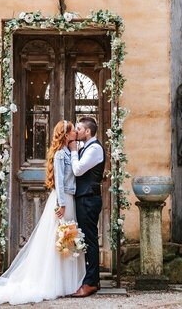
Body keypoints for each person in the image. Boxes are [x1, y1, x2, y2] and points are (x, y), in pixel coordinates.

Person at [0, 120, 85, 305]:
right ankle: (55, 282)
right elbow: (59, 181)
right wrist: (61, 203)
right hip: (63, 199)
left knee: (67, 237)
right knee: (60, 237)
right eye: (73, 129)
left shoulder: (69, 151)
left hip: (70, 198)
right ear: (66, 135)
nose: (76, 131)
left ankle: (68, 281)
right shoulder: (60, 155)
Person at [69, 116, 105, 298]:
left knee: (90, 239)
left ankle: (90, 283)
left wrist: (74, 150)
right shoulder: (88, 148)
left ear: (88, 131)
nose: (76, 131)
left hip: (88, 199)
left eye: (79, 129)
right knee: (87, 238)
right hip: (85, 197)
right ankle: (93, 279)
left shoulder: (95, 149)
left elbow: (78, 170)